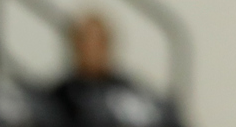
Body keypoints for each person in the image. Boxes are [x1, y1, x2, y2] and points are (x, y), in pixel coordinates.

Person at [45, 14, 178, 127]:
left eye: (98, 41)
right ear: (75, 44)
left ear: (108, 44)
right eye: (85, 40)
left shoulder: (131, 94)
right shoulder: (57, 98)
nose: (91, 48)